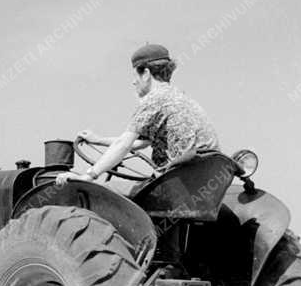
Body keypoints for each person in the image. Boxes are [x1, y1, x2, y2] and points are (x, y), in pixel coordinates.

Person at [55, 43, 220, 186]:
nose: (133, 82)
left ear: (146, 74)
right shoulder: (179, 98)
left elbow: (124, 144)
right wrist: (98, 140)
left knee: (107, 192)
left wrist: (87, 176)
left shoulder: (155, 99)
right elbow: (140, 143)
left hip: (179, 184)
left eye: (135, 75)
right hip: (205, 180)